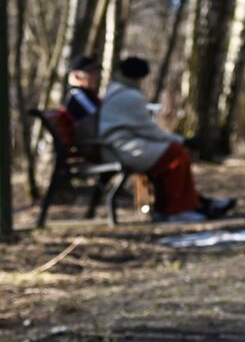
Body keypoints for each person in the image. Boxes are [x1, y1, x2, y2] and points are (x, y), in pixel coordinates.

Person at [98, 55, 236, 222]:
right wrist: (183, 140)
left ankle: (189, 204)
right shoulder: (129, 96)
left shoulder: (116, 90)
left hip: (118, 145)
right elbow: (149, 130)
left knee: (171, 155)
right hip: (121, 148)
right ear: (139, 77)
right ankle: (178, 209)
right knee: (176, 154)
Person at [62, 53, 105, 160]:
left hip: (96, 145)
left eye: (95, 73)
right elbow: (100, 116)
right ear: (76, 75)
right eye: (90, 73)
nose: (95, 76)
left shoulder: (86, 94)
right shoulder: (77, 95)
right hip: (91, 148)